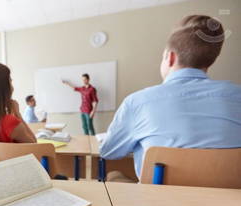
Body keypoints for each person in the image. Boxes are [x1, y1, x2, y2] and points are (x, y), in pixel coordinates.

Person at [100, 15, 241, 180]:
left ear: (170, 57)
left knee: (114, 175)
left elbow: (108, 151)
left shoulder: (138, 102)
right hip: (229, 204)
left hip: (158, 203)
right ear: (209, 62)